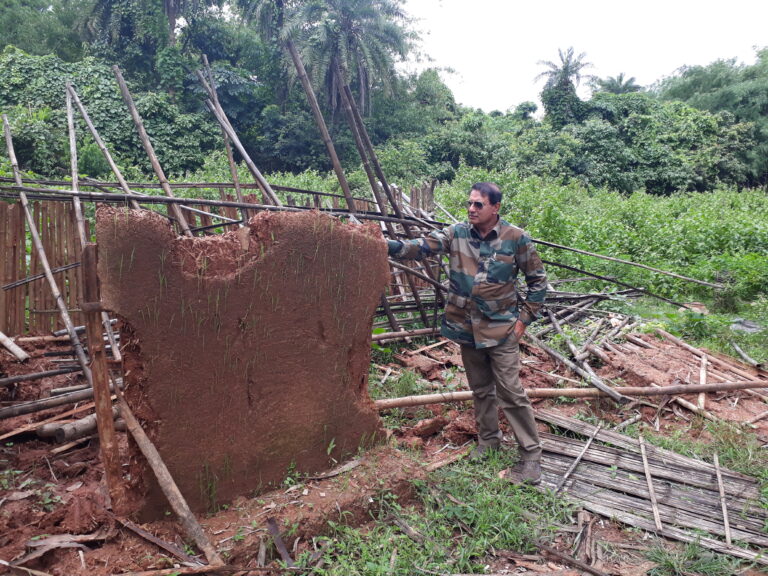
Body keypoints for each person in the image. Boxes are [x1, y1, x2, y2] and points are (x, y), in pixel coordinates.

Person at [387, 182, 547, 484]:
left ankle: (531, 457)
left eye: (479, 205)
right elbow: (419, 247)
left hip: (501, 331)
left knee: (511, 393)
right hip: (467, 329)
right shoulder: (456, 233)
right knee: (481, 390)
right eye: (469, 203)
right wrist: (385, 245)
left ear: (495, 208)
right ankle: (488, 443)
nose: (471, 209)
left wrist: (523, 321)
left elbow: (538, 282)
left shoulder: (516, 239)